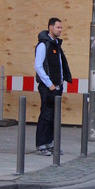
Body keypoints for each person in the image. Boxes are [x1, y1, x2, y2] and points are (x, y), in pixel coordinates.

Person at [34, 17, 72, 156]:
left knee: (53, 116)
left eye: (61, 28)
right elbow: (38, 66)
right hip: (48, 87)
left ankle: (49, 142)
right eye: (58, 27)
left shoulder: (56, 44)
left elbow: (60, 65)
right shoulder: (44, 45)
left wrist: (62, 81)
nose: (60, 30)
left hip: (57, 85)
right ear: (50, 27)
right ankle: (41, 144)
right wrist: (49, 84)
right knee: (46, 115)